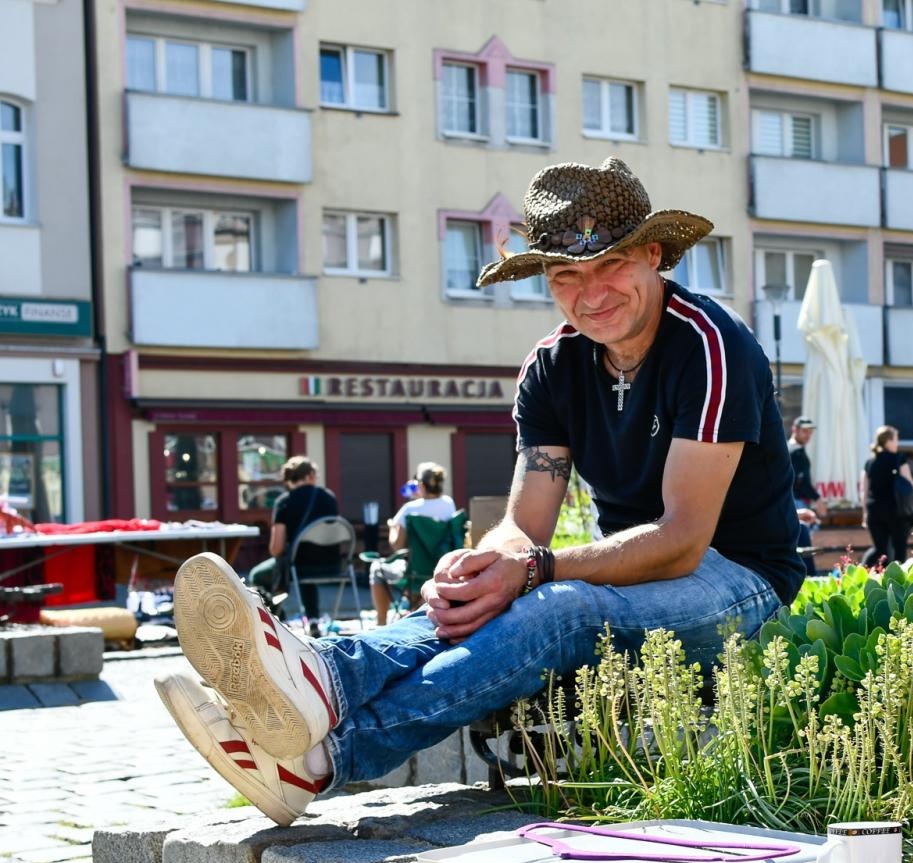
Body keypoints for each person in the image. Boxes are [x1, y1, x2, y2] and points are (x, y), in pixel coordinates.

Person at [154, 157, 803, 824]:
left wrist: (532, 570)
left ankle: (322, 757)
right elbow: (526, 525)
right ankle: (320, 682)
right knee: (484, 590)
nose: (591, 293)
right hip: (634, 572)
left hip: (742, 578)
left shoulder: (711, 345)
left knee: (560, 608)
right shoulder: (553, 365)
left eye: (610, 265)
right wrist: (483, 565)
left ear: (653, 254)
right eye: (566, 276)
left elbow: (682, 541)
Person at [246, 457, 339, 635]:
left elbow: (276, 548)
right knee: (302, 562)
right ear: (311, 475)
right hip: (334, 565)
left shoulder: (285, 501)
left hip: (301, 566)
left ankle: (278, 621)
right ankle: (312, 621)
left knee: (257, 574)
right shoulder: (329, 497)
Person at [367, 462, 458, 622]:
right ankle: (416, 609)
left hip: (413, 573)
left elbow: (396, 545)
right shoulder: (449, 504)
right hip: (441, 569)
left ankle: (381, 621)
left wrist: (393, 527)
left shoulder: (409, 509)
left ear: (421, 485)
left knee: (376, 568)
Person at [858, 425, 913, 567]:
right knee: (899, 551)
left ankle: (863, 575)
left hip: (875, 512)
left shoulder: (869, 463)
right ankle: (899, 584)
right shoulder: (899, 459)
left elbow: (864, 491)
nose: (897, 443)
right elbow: (910, 484)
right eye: (896, 439)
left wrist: (865, 513)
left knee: (880, 551)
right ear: (888, 441)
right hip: (896, 512)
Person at [789, 416, 821, 575]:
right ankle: (809, 575)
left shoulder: (787, 449)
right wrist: (818, 498)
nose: (808, 435)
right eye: (804, 431)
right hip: (795, 503)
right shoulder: (797, 452)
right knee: (803, 542)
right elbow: (800, 481)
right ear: (794, 430)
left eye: (810, 432)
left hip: (790, 502)